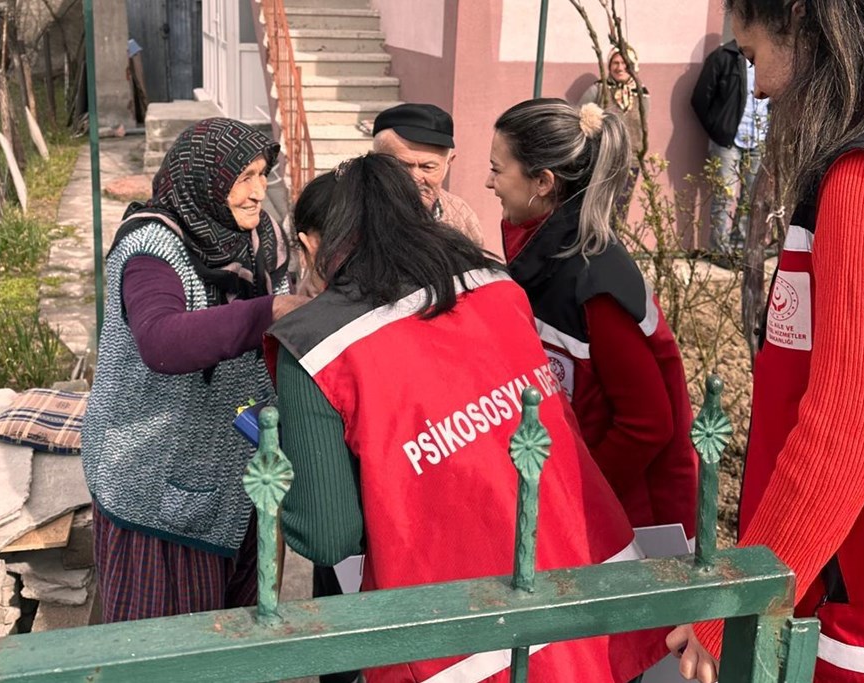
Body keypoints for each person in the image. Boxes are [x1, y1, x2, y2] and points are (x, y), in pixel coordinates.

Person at [268, 154, 666, 682]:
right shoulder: (497, 287)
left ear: (317, 243)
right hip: (593, 595)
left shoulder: (319, 344)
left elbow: (326, 536)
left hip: (464, 647)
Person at [668, 1, 864, 681]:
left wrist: (740, 606)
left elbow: (849, 421)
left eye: (752, 57)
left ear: (805, 22)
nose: (759, 88)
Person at [81, 118, 309, 623]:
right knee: (170, 644)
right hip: (155, 479)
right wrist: (266, 313)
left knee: (238, 631)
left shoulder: (262, 238)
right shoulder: (152, 249)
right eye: (242, 178)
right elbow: (161, 341)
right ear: (204, 180)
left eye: (261, 175)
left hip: (240, 472)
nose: (256, 193)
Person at [487, 98, 698, 539]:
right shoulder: (540, 252)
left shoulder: (595, 282)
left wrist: (576, 497)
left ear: (542, 182)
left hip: (632, 519)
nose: (490, 183)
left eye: (498, 169)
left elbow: (647, 424)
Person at [691, 39, 770, 256]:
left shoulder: (768, 56)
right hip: (728, 141)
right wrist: (719, 129)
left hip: (758, 140)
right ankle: (719, 250)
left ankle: (740, 248)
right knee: (724, 195)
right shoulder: (724, 56)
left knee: (752, 197)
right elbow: (699, 98)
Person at [372, 103, 484, 246]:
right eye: (402, 166)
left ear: (448, 164)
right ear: (375, 161)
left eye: (427, 167)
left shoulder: (461, 216)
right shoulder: (349, 210)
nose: (414, 178)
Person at [579, 47, 649, 221]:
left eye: (625, 63)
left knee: (619, 212)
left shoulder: (642, 94)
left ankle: (612, 246)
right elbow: (579, 120)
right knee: (597, 210)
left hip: (630, 161)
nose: (619, 67)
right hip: (602, 159)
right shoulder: (598, 90)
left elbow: (643, 126)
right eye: (615, 63)